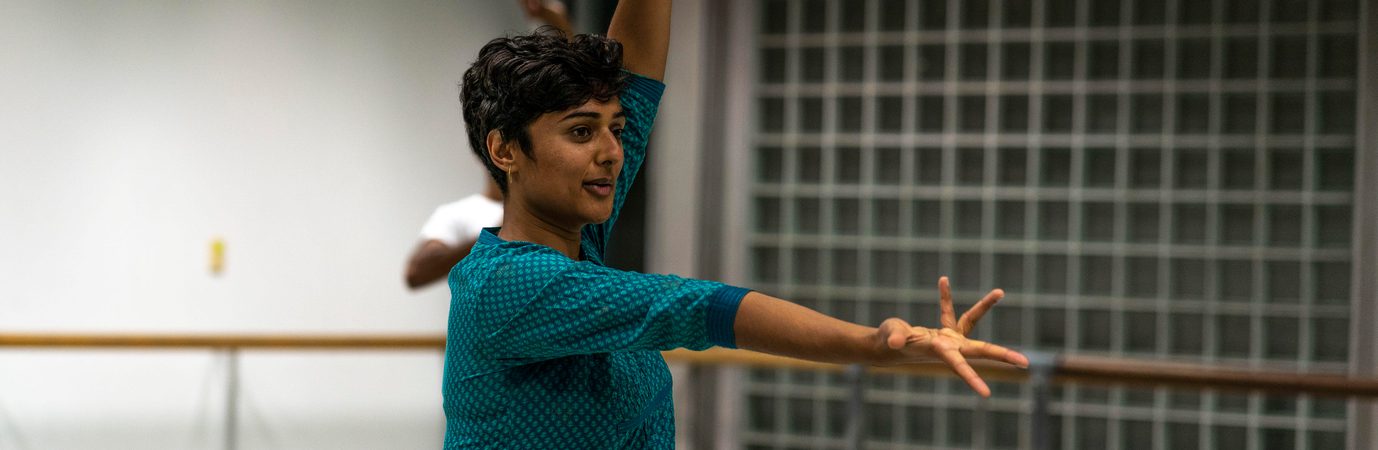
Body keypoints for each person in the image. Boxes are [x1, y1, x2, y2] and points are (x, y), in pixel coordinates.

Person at [443, 0, 1029, 447]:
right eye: (580, 132)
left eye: (614, 129)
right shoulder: (510, 285)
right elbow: (694, 305)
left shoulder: (579, 238)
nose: (612, 151)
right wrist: (872, 344)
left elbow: (637, 74)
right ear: (504, 151)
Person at [403, 1, 574, 290]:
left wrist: (555, 21)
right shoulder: (458, 214)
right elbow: (415, 273)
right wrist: (498, 233)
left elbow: (572, 94)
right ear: (498, 149)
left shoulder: (559, 205)